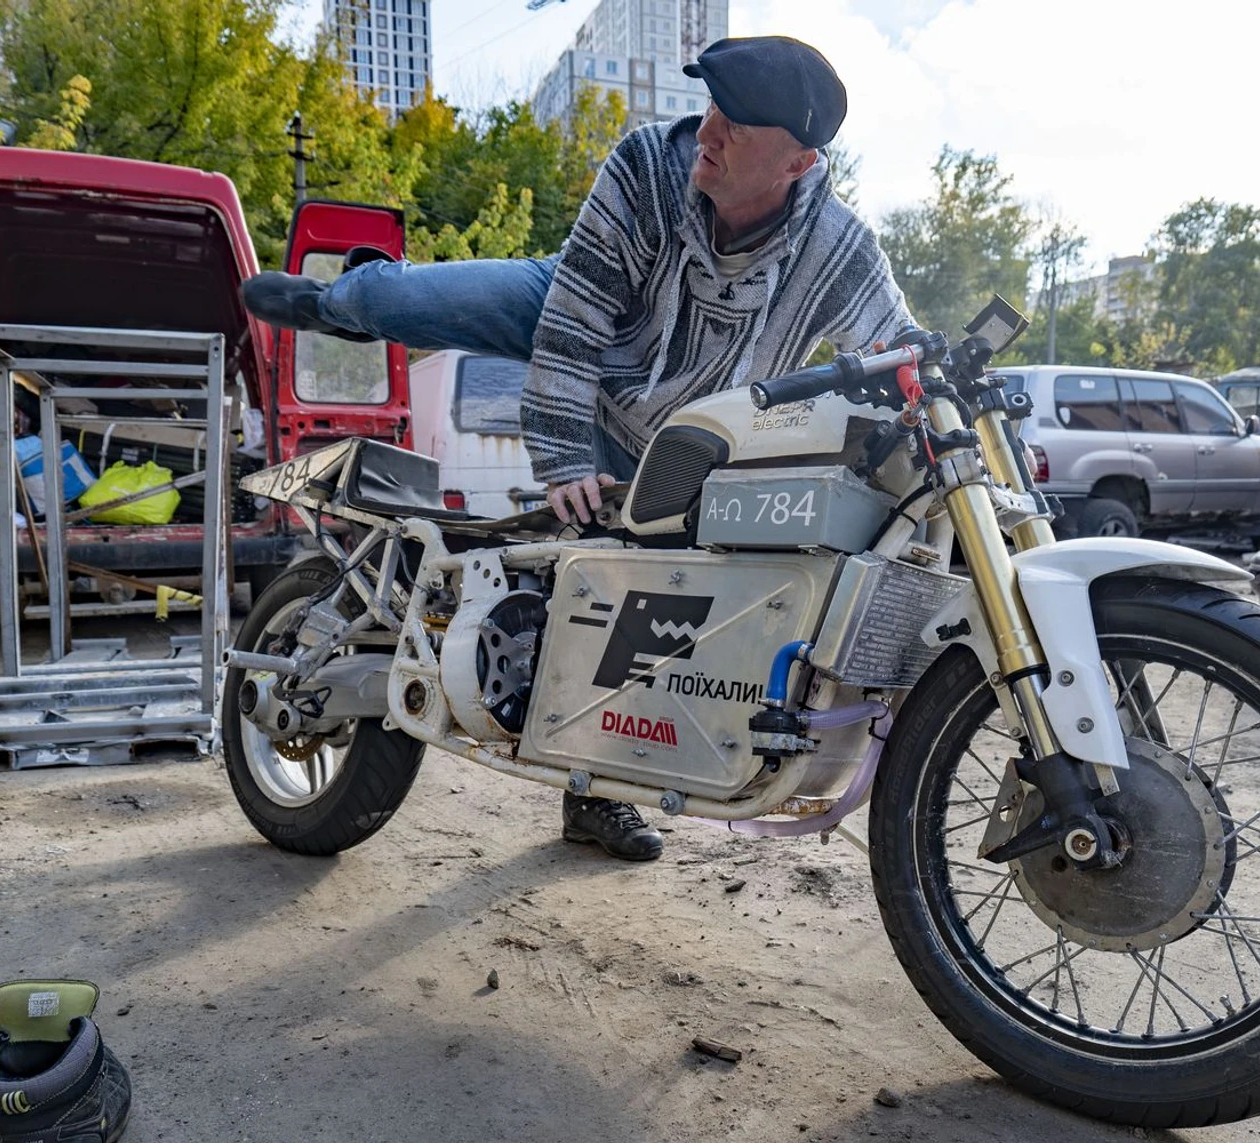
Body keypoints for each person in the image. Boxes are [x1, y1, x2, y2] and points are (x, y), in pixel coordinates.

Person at [241, 35, 911, 862]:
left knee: (620, 606)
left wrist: (964, 426)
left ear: (800, 162)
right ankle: (337, 294)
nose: (710, 131)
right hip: (586, 311)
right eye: (710, 109)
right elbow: (572, 327)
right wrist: (562, 456)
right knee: (424, 297)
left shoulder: (838, 250)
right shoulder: (646, 166)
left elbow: (902, 351)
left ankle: (595, 800)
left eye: (737, 126)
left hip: (682, 417)